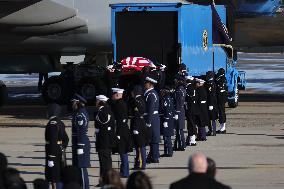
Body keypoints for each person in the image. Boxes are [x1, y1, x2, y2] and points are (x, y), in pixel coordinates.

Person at [94, 95, 118, 186]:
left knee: (105, 162)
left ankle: (106, 181)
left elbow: (103, 123)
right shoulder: (104, 110)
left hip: (104, 140)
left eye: (97, 101)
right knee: (104, 161)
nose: (95, 103)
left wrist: (98, 129)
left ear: (100, 102)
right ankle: (103, 180)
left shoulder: (103, 111)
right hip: (105, 139)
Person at [110, 88, 133, 178]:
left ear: (117, 94)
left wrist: (118, 134)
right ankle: (124, 171)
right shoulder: (122, 103)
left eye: (113, 94)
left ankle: (125, 172)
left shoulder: (118, 104)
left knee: (122, 151)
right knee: (123, 152)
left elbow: (119, 120)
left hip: (121, 130)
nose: (112, 96)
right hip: (124, 129)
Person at [45, 103, 69, 189]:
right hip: (59, 150)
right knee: (59, 173)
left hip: (52, 153)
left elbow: (52, 140)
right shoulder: (60, 122)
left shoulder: (52, 123)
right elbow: (66, 139)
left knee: (53, 176)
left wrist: (51, 157)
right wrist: (62, 147)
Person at [71, 94, 90, 189]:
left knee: (81, 168)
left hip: (80, 143)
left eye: (74, 102)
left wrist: (80, 146)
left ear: (78, 102)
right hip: (78, 142)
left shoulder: (80, 114)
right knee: (78, 167)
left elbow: (81, 131)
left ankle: (84, 187)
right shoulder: (78, 112)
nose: (72, 104)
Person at [130, 85, 148, 170]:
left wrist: (136, 128)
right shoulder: (141, 99)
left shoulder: (136, 101)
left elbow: (137, 115)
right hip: (141, 124)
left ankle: (141, 164)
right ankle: (139, 163)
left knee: (140, 146)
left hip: (138, 125)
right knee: (139, 146)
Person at [144, 72, 160, 164]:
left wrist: (148, 121)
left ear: (150, 84)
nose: (144, 84)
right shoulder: (150, 93)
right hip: (152, 117)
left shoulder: (151, 94)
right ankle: (153, 155)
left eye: (146, 83)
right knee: (152, 138)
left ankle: (155, 156)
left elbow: (150, 109)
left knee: (154, 138)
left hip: (152, 118)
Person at [160, 87, 175, 157]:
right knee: (166, 136)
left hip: (167, 119)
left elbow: (167, 110)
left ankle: (169, 152)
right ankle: (167, 151)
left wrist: (166, 119)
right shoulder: (169, 98)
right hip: (170, 119)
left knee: (166, 137)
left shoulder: (166, 99)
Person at [173, 75, 186, 151]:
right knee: (179, 129)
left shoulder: (179, 90)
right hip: (180, 110)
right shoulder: (181, 89)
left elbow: (179, 102)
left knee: (179, 129)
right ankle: (178, 144)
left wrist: (177, 112)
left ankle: (182, 145)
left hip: (179, 111)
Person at [185, 76, 198, 146]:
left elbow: (187, 99)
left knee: (191, 124)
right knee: (192, 123)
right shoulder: (193, 88)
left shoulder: (188, 88)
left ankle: (192, 140)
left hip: (189, 108)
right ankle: (192, 139)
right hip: (193, 108)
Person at [205, 72, 218, 136]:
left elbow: (210, 95)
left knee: (211, 118)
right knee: (212, 118)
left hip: (211, 103)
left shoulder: (210, 84)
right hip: (213, 103)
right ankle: (213, 130)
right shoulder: (213, 83)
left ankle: (212, 130)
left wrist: (210, 104)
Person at [216, 68, 228, 134]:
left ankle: (222, 128)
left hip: (220, 98)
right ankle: (222, 127)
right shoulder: (224, 78)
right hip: (223, 98)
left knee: (221, 112)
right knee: (222, 112)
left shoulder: (220, 79)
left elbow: (218, 86)